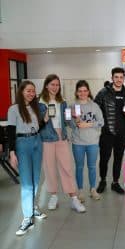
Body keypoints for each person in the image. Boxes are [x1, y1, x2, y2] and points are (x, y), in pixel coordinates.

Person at [39, 74, 86, 213]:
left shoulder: (63, 101)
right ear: (46, 85)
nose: (55, 87)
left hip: (62, 137)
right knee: (49, 169)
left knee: (67, 168)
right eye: (52, 84)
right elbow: (38, 123)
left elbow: (67, 121)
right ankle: (53, 196)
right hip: (47, 138)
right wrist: (45, 117)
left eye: (57, 85)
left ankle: (74, 199)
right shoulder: (40, 102)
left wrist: (74, 119)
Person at [7, 81, 47, 236]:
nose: (31, 94)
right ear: (21, 91)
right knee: (26, 183)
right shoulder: (14, 109)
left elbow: (37, 127)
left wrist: (44, 121)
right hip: (22, 144)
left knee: (36, 179)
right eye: (28, 91)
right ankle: (27, 218)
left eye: (33, 91)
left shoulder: (35, 108)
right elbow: (10, 131)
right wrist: (12, 152)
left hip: (37, 141)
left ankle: (32, 208)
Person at [94, 67, 125, 195]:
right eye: (116, 77)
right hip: (107, 132)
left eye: (121, 77)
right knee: (104, 158)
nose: (119, 80)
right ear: (112, 78)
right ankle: (103, 180)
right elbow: (95, 111)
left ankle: (115, 182)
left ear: (124, 78)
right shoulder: (103, 93)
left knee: (118, 158)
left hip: (122, 132)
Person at [70, 80, 104, 202]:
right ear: (76, 92)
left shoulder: (94, 106)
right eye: (80, 91)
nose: (83, 93)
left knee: (92, 166)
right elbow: (69, 124)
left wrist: (88, 124)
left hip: (92, 142)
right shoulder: (72, 106)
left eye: (85, 90)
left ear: (88, 92)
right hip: (78, 142)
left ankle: (93, 189)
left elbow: (101, 122)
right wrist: (74, 119)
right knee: (79, 167)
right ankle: (80, 191)